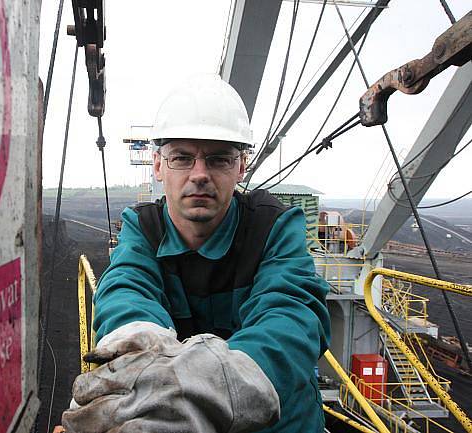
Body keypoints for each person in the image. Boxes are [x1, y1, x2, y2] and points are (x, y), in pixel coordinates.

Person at [62, 75, 331, 432]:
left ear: (240, 167)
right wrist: (137, 339)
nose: (200, 174)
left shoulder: (273, 228)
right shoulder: (143, 228)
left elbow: (291, 319)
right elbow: (126, 289)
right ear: (158, 166)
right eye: (182, 158)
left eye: (218, 160)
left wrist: (215, 386)